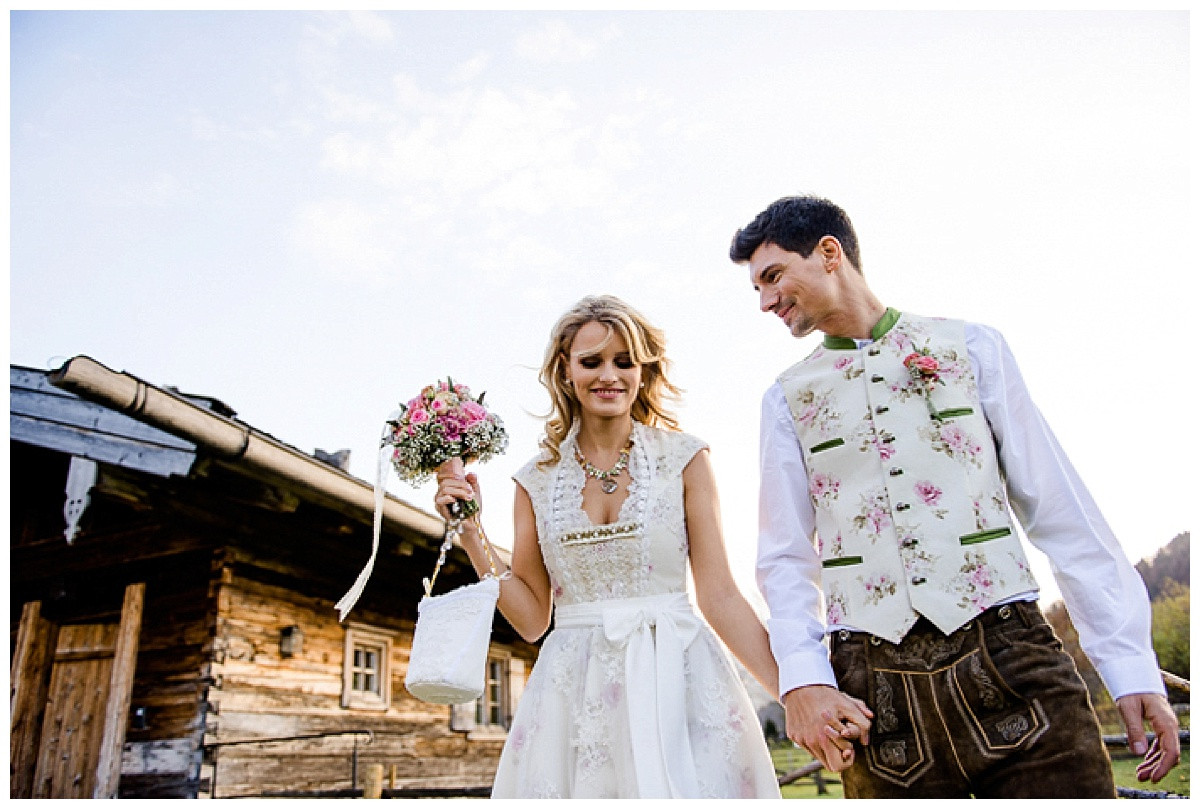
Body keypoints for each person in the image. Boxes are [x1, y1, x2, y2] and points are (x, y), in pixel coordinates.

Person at [729, 195, 1180, 799]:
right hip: (874, 693)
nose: (764, 301)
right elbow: (784, 559)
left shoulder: (973, 349)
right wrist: (804, 680)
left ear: (829, 254)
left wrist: (1127, 665)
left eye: (772, 277)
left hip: (1012, 655)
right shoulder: (785, 401)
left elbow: (1061, 513)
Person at [434, 294, 782, 799]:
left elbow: (721, 596)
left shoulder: (686, 460)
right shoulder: (535, 480)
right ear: (566, 370)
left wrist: (796, 695)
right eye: (592, 361)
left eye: (624, 362)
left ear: (644, 371)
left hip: (676, 676)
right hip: (575, 694)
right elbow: (532, 619)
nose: (609, 376)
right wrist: (471, 533)